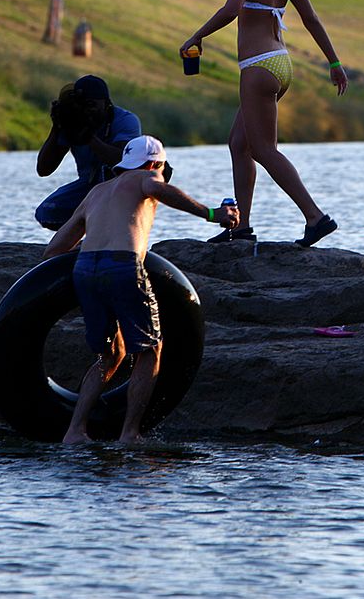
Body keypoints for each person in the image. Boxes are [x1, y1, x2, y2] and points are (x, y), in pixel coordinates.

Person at [42, 135, 238, 444]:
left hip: (85, 269)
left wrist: (96, 245)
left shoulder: (96, 192)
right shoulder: (148, 178)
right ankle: (129, 434)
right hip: (122, 266)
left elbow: (54, 250)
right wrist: (213, 215)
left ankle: (75, 431)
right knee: (149, 350)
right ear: (154, 164)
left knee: (109, 355)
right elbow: (159, 189)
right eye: (161, 167)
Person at [180, 0, 347, 247]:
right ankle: (241, 228)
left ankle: (315, 217)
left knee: (264, 150)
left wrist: (196, 35)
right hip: (280, 64)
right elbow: (311, 19)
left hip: (257, 67)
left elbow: (231, 8)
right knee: (239, 143)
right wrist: (334, 62)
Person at [35, 75, 142, 230]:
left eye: (91, 104)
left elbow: (123, 162)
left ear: (106, 104)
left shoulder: (125, 120)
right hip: (89, 186)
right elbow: (44, 169)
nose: (87, 110)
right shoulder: (73, 121)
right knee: (47, 212)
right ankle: (82, 241)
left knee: (108, 175)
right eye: (82, 105)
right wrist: (57, 128)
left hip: (120, 187)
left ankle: (103, 234)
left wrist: (89, 138)